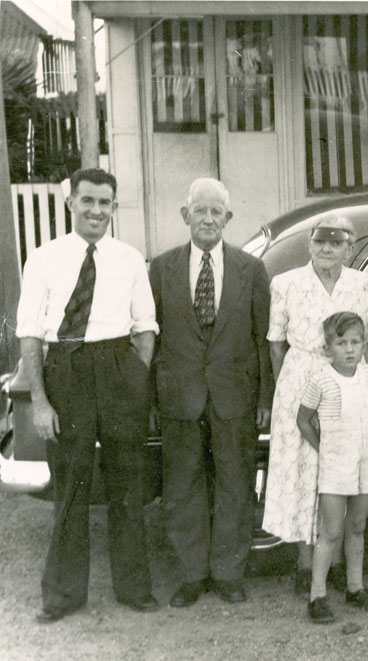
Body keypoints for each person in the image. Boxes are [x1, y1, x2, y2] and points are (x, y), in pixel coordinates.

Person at [17, 168, 160, 622]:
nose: (97, 210)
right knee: (72, 485)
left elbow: (146, 327)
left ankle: (134, 588)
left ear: (114, 208)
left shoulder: (129, 258)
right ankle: (62, 596)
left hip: (118, 368)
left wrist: (134, 376)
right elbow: (29, 335)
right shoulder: (43, 258)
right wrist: (40, 400)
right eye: (88, 201)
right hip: (66, 370)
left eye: (105, 203)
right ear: (71, 203)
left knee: (126, 484)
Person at [148, 178, 273, 608]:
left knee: (235, 485)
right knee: (182, 486)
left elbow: (262, 339)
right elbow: (151, 337)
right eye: (199, 210)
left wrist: (263, 401)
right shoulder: (161, 268)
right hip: (179, 397)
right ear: (185, 216)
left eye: (215, 212)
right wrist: (152, 400)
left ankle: (227, 573)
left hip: (234, 397)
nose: (207, 219)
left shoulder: (250, 269)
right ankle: (191, 574)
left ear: (228, 219)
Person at [262, 216, 368, 594]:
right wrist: (291, 390)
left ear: (350, 247)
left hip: (348, 385)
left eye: (337, 243)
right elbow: (276, 343)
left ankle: (337, 564)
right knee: (306, 469)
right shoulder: (285, 284)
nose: (327, 249)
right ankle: (304, 562)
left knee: (342, 469)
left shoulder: (362, 284)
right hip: (301, 380)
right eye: (320, 241)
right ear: (310, 245)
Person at [297, 312, 368, 623]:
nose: (349, 349)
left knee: (357, 526)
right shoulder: (320, 379)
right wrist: (325, 450)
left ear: (363, 345)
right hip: (335, 468)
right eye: (341, 342)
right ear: (328, 348)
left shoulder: (367, 376)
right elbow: (303, 420)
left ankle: (355, 587)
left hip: (364, 463)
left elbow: (366, 412)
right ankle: (317, 595)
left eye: (356, 342)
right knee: (331, 530)